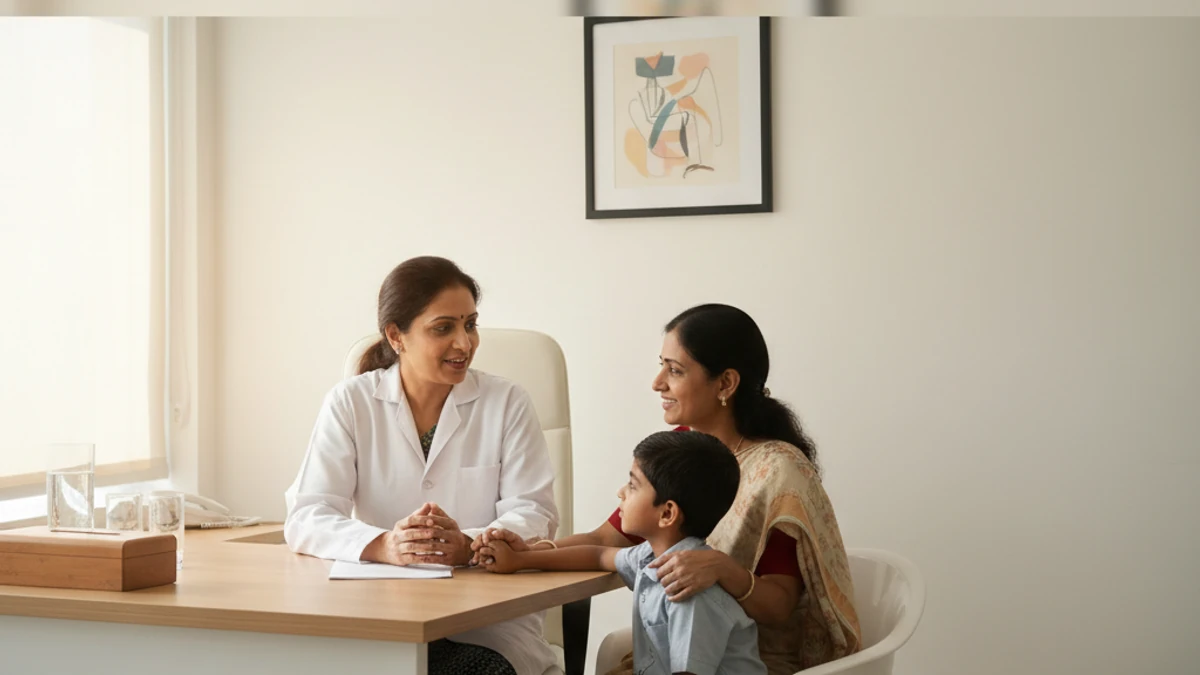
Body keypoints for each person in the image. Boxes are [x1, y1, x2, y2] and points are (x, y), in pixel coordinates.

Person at [476, 304, 861, 675]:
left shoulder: (777, 472)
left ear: (725, 383)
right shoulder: (683, 448)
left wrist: (722, 569)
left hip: (753, 661)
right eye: (661, 366)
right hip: (668, 654)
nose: (657, 383)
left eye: (674, 370)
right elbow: (603, 542)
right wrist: (525, 553)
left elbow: (779, 607)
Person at [284, 256, 560, 675]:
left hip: (485, 622)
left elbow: (536, 514)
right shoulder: (351, 402)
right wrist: (385, 545)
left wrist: (469, 546)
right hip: (382, 615)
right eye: (443, 328)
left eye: (470, 324)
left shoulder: (506, 402)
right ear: (396, 336)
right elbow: (307, 515)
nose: (464, 343)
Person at [480, 430, 767, 675]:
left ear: (667, 513)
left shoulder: (688, 592)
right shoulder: (648, 556)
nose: (621, 492)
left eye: (632, 485)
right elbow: (597, 555)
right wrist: (522, 558)